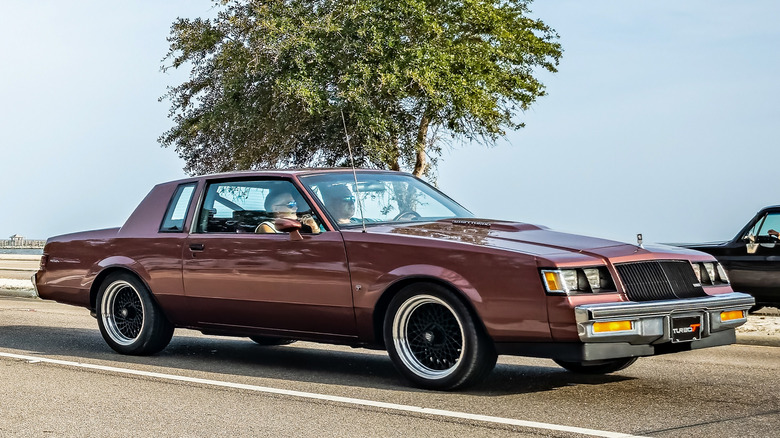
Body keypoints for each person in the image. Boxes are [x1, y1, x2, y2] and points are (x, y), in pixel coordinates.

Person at [255, 188, 320, 233]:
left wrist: (314, 229)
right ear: (275, 209)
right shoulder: (267, 227)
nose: (296, 207)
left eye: (295, 203)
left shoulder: (295, 226)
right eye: (291, 204)